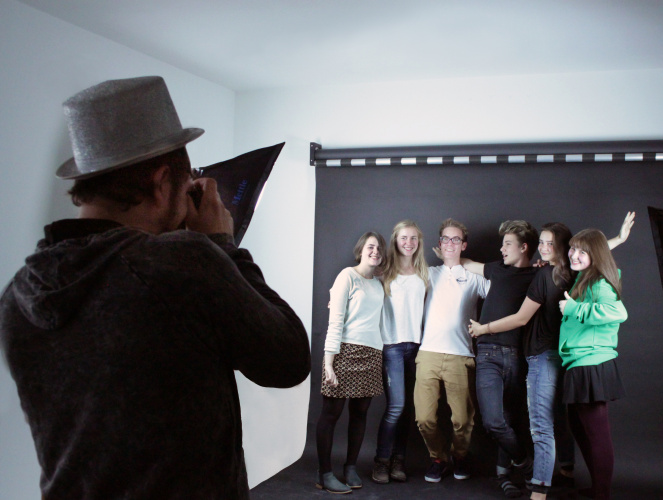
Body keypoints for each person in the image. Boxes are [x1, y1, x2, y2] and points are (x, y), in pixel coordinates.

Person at [0, 76, 311, 499]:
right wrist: (223, 246)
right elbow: (289, 359)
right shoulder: (182, 262)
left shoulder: (18, 294)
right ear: (162, 182)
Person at [469, 213, 634, 500]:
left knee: (547, 427)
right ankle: (571, 475)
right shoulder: (576, 273)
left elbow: (522, 319)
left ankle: (541, 491)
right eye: (541, 242)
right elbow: (590, 253)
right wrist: (617, 239)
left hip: (557, 359)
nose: (543, 248)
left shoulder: (555, 275)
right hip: (568, 359)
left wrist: (484, 328)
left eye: (549, 243)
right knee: (565, 422)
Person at [459, 220, 539, 499]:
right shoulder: (496, 269)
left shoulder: (537, 276)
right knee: (493, 421)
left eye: (507, 244)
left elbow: (568, 262)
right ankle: (525, 464)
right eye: (502, 243)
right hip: (488, 354)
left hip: (518, 356)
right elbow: (468, 263)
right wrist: (452, 248)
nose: (501, 248)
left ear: (524, 247)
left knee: (512, 419)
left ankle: (503, 474)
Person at [414, 218, 489, 483]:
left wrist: (467, 264)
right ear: (439, 244)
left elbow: (505, 287)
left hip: (461, 355)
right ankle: (439, 458)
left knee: (462, 420)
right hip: (428, 354)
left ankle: (459, 455)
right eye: (445, 238)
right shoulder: (428, 273)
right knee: (424, 418)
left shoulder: (474, 277)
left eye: (456, 239)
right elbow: (395, 281)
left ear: (464, 245)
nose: (450, 243)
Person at [557, 229, 628, 500]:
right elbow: (594, 251)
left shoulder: (600, 283)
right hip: (579, 362)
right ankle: (600, 489)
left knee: (596, 433)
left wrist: (575, 309)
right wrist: (617, 240)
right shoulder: (586, 275)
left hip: (592, 363)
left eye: (581, 251)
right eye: (572, 248)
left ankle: (602, 494)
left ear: (594, 256)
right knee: (579, 427)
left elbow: (618, 312)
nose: (573, 254)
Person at [315, 232, 386, 494]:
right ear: (360, 249)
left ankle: (351, 467)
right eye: (370, 246)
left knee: (360, 414)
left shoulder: (379, 282)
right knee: (331, 414)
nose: (375, 251)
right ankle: (324, 473)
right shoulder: (347, 276)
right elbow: (335, 322)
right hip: (343, 352)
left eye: (379, 247)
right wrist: (329, 363)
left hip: (371, 353)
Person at [372, 220, 429, 484]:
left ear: (419, 243)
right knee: (396, 406)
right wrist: (336, 297)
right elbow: (358, 285)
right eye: (404, 238)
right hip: (392, 345)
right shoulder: (383, 271)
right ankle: (381, 462)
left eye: (413, 239)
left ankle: (399, 461)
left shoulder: (424, 273)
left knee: (407, 409)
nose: (408, 243)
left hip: (417, 346)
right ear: (395, 241)